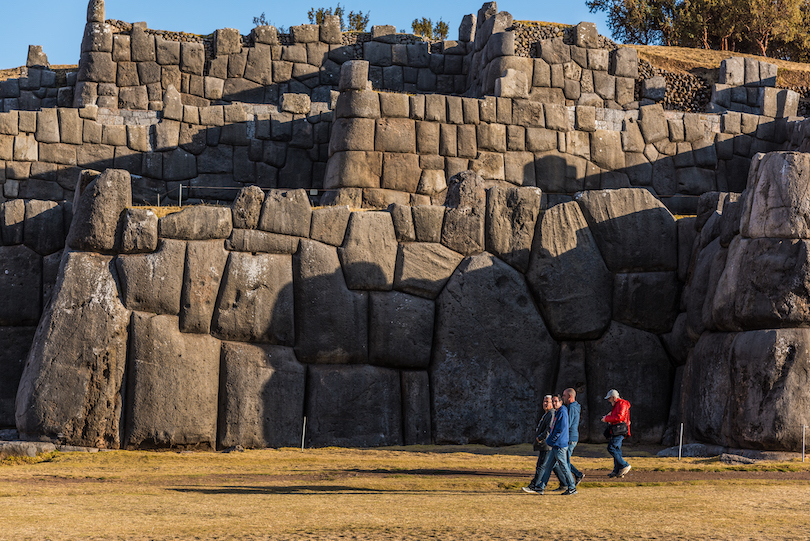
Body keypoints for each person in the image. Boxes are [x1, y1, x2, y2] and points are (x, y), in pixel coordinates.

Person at [530, 394, 577, 495]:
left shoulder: (563, 412)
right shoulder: (557, 412)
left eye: (556, 401)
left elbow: (560, 429)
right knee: (548, 466)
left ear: (561, 402)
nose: (554, 403)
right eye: (553, 401)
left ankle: (572, 487)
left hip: (560, 445)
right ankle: (540, 487)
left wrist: (551, 440)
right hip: (555, 445)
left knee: (564, 466)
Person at [522, 395, 564, 494]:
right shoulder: (547, 413)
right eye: (544, 401)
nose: (545, 404)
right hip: (547, 444)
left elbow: (549, 429)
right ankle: (565, 483)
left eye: (547, 402)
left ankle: (534, 486)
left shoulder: (551, 413)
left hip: (547, 444)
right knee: (553, 465)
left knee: (541, 465)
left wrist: (540, 437)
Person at [552, 388, 584, 488]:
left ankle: (570, 482)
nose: (563, 397)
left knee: (562, 461)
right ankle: (574, 477)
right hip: (572, 436)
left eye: (564, 395)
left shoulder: (571, 408)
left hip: (570, 437)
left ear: (570, 396)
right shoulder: (575, 406)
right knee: (564, 460)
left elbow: (566, 424)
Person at [602, 389, 632, 478]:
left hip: (619, 430)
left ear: (614, 397)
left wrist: (607, 418)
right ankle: (617, 471)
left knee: (611, 448)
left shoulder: (621, 403)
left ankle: (624, 465)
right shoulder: (618, 404)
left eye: (609, 398)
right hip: (617, 430)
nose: (609, 400)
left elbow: (620, 417)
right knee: (616, 449)